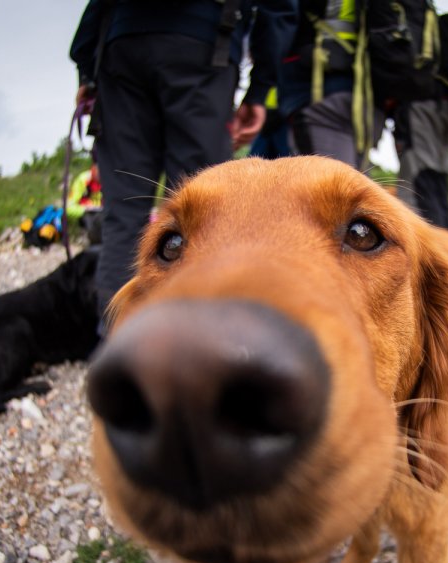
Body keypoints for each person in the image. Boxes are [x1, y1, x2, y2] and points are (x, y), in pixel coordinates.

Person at [70, 0, 298, 323]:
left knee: (122, 215)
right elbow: (280, 8)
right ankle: (206, 339)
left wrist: (86, 68)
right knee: (207, 218)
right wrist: (260, 89)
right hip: (206, 43)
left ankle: (114, 340)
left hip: (119, 45)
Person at [277, 0, 383, 169]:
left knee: (325, 180)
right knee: (353, 177)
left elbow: (278, 23)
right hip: (369, 101)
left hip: (320, 98)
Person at [392, 97, 448, 231]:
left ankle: (431, 241)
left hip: (420, 110)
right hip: (447, 109)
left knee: (415, 188)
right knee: (438, 191)